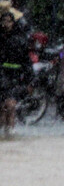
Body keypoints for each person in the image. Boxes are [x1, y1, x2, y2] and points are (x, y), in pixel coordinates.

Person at [0, 9, 32, 137]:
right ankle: (4, 132)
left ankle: (11, 131)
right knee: (2, 108)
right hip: (2, 77)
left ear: (13, 23)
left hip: (14, 77)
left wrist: (30, 81)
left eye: (8, 21)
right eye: (3, 21)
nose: (5, 24)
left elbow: (26, 62)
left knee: (10, 105)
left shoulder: (19, 40)